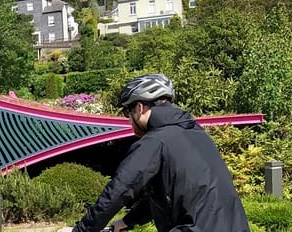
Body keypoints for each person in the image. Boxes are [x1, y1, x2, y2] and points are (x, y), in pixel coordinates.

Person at [60, 73, 249, 232]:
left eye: (128, 112)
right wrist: (126, 221)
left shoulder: (155, 141)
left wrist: (81, 230)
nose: (128, 119)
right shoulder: (196, 134)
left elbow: (119, 190)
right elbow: (164, 196)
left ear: (140, 107)